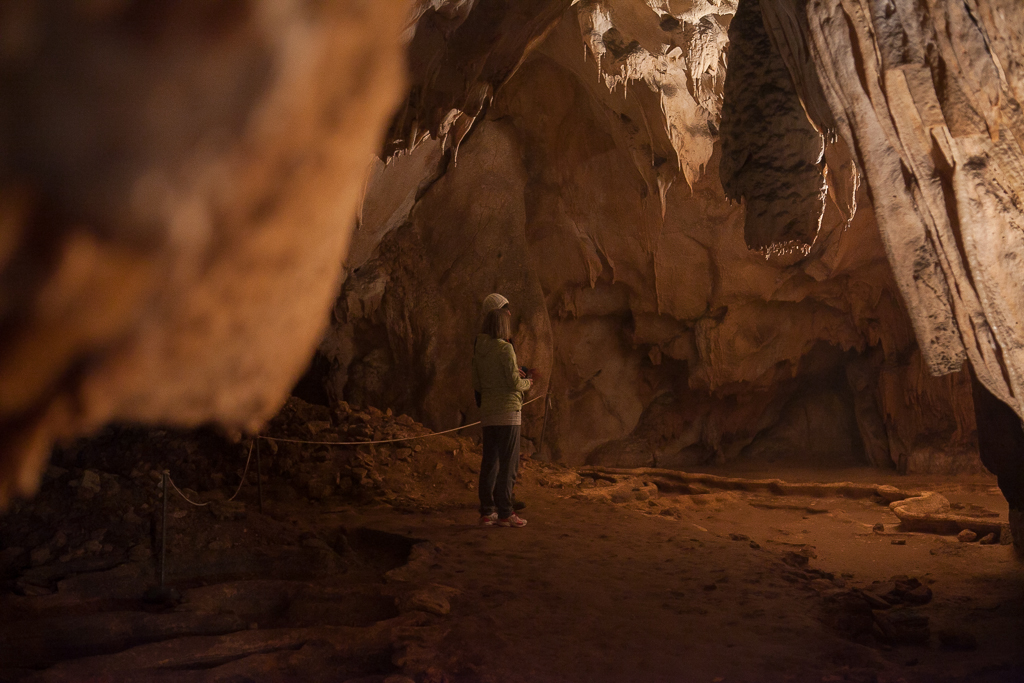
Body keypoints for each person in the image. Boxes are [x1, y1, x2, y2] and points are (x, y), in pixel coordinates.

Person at [472, 293, 534, 528]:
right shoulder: (505, 349)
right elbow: (513, 383)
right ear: (500, 317)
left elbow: (477, 382)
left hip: (489, 412)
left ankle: (487, 512)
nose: (510, 314)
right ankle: (506, 512)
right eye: (507, 310)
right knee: (508, 464)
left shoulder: (480, 347)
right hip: (508, 412)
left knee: (489, 462)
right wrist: (528, 381)